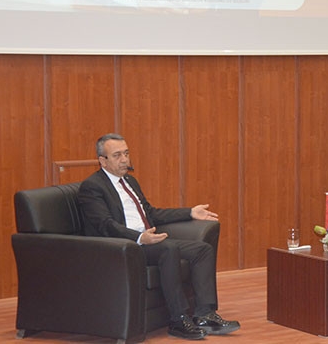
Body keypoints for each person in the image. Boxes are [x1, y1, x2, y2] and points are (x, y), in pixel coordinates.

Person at [78, 133, 240, 340]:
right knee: (168, 249)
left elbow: (151, 213)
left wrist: (189, 212)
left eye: (126, 153)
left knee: (202, 250)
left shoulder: (129, 181)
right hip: (124, 246)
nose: (124, 160)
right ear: (103, 161)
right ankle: (178, 320)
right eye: (117, 155)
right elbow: (105, 225)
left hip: (148, 241)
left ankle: (204, 314)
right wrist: (139, 238)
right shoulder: (92, 187)